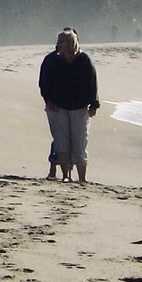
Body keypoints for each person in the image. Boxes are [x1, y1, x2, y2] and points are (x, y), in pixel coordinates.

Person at [39, 27, 99, 183]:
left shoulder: (84, 60)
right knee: (61, 142)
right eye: (58, 41)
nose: (58, 44)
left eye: (61, 42)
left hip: (79, 106)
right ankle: (66, 175)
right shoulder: (52, 60)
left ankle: (82, 178)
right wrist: (49, 100)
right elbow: (44, 83)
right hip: (57, 107)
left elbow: (92, 83)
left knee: (79, 142)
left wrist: (94, 104)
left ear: (70, 43)